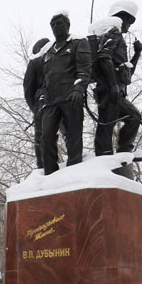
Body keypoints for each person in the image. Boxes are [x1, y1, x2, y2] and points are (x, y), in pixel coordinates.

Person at [41, 11, 92, 175]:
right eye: (53, 25)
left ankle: (74, 171)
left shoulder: (78, 43)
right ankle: (50, 173)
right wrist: (42, 97)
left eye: (59, 23)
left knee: (73, 136)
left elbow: (84, 69)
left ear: (67, 25)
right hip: (51, 101)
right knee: (46, 136)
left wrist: (79, 88)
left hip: (71, 97)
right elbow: (45, 78)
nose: (56, 27)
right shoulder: (49, 52)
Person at [93, 0, 142, 159]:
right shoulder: (114, 32)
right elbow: (104, 56)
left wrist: (137, 54)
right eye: (129, 21)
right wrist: (113, 85)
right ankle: (113, 156)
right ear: (122, 18)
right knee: (118, 122)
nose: (129, 26)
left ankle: (117, 155)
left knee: (109, 124)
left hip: (116, 91)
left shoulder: (117, 37)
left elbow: (126, 75)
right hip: (110, 91)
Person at [23, 37, 51, 170]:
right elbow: (28, 88)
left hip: (59, 100)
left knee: (68, 132)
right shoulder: (35, 63)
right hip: (43, 103)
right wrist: (34, 108)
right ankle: (43, 166)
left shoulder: (58, 58)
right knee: (42, 136)